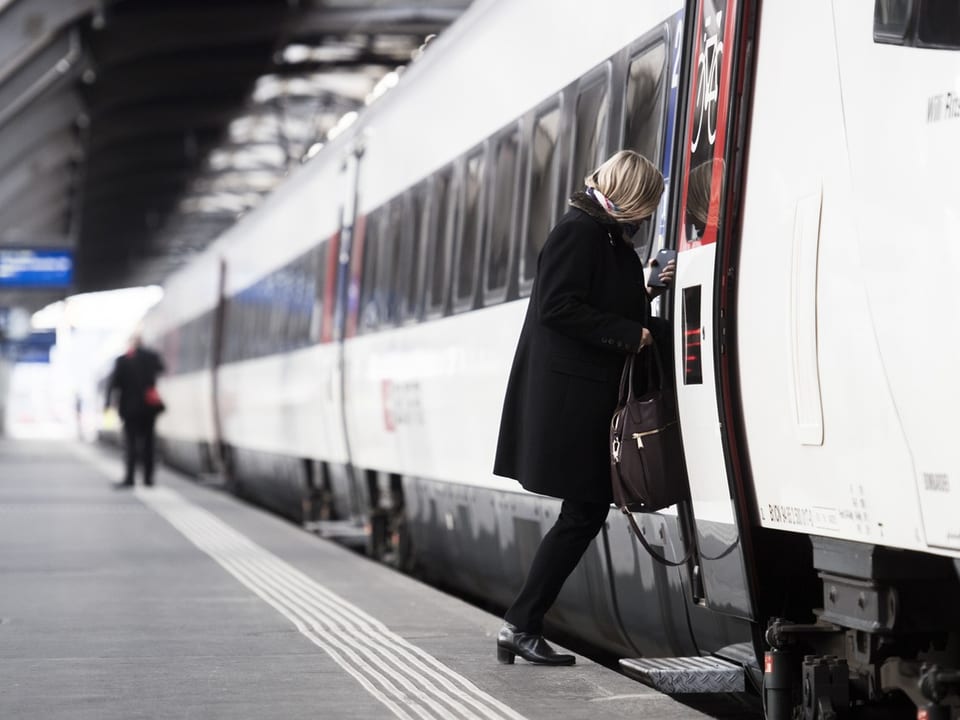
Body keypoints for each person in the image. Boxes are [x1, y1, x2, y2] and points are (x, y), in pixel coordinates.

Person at [493, 150, 675, 665]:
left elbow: (596, 296)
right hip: (571, 401)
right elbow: (558, 306)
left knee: (584, 512)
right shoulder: (580, 231)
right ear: (632, 197)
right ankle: (519, 626)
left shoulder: (603, 234)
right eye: (645, 205)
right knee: (584, 511)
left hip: (584, 394)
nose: (645, 217)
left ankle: (521, 625)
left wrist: (646, 291)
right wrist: (630, 334)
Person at [105, 334, 165, 488]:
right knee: (149, 444)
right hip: (148, 408)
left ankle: (130, 478)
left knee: (130, 444)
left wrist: (108, 404)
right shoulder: (152, 357)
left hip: (129, 409)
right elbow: (161, 369)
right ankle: (148, 479)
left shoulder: (122, 360)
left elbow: (113, 384)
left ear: (130, 344)